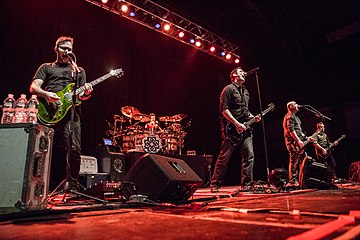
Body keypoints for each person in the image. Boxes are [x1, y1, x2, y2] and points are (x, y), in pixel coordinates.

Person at [30, 36, 93, 191]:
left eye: (69, 49)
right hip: (48, 111)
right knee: (39, 147)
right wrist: (46, 94)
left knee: (74, 148)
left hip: (71, 112)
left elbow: (82, 97)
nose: (67, 51)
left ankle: (72, 185)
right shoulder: (46, 67)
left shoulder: (79, 71)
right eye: (63, 48)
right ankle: (34, 183)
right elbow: (33, 87)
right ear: (56, 49)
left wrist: (87, 93)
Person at [210, 67, 261, 192]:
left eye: (244, 71)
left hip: (245, 129)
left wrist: (252, 117)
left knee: (249, 156)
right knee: (224, 158)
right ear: (234, 75)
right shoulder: (228, 89)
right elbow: (224, 110)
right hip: (231, 129)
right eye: (240, 71)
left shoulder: (246, 91)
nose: (244, 72)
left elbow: (245, 111)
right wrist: (237, 124)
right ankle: (215, 184)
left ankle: (247, 185)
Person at [283, 101, 311, 188]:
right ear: (291, 106)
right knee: (294, 160)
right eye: (295, 104)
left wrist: (305, 138)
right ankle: (292, 181)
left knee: (301, 161)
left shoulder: (296, 118)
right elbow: (291, 130)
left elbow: (299, 131)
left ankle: (301, 180)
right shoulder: (289, 116)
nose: (298, 105)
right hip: (293, 142)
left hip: (298, 142)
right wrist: (298, 140)